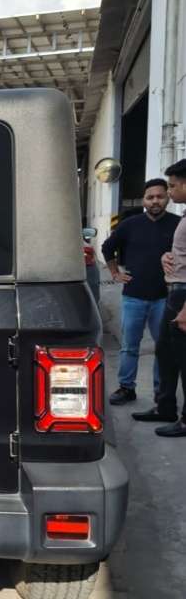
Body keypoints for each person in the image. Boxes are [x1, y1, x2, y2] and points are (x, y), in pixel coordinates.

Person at [102, 179, 179, 405]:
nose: (155, 201)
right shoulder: (130, 224)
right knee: (129, 346)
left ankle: (160, 392)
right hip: (133, 296)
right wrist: (115, 273)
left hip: (165, 298)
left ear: (167, 197)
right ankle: (126, 388)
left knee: (163, 348)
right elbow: (107, 247)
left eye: (160, 196)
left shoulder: (178, 225)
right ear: (144, 199)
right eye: (150, 197)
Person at [133, 160, 186, 435]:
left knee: (183, 358)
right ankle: (165, 406)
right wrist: (171, 258)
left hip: (183, 295)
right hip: (175, 291)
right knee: (165, 352)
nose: (171, 192)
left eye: (173, 186)